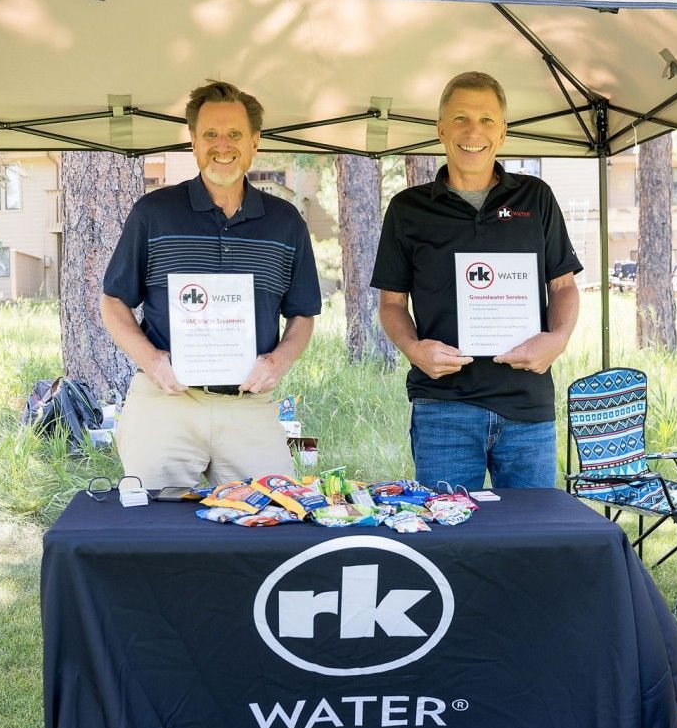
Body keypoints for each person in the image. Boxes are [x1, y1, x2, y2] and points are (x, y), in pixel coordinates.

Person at [102, 80, 321, 489]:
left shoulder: (286, 221)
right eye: (210, 135)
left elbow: (303, 313)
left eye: (235, 134)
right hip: (167, 401)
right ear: (193, 143)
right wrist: (152, 362)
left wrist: (279, 362)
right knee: (154, 528)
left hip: (248, 405)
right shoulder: (153, 213)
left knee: (273, 520)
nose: (223, 145)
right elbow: (113, 301)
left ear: (255, 142)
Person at [372, 71, 581, 490]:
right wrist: (413, 349)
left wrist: (557, 340)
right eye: (461, 118)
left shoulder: (535, 198)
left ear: (502, 132)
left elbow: (563, 287)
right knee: (449, 540)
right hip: (444, 406)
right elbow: (392, 303)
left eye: (487, 120)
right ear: (441, 129)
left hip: (526, 404)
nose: (473, 132)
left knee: (530, 539)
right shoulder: (407, 209)